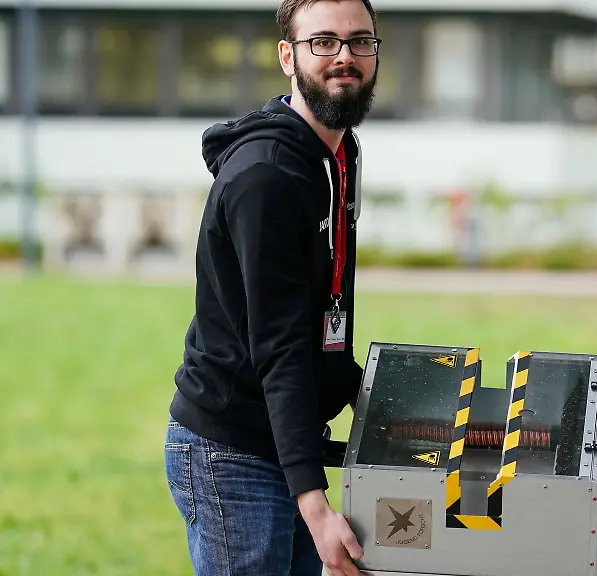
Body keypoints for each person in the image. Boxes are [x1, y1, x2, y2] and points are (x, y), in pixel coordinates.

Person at [163, 0, 380, 574]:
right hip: (232, 452)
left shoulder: (337, 154)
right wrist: (316, 505)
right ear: (287, 55)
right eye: (323, 42)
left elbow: (319, 308)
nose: (345, 57)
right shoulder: (267, 175)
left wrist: (358, 388)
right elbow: (279, 344)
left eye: (360, 42)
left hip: (286, 441)